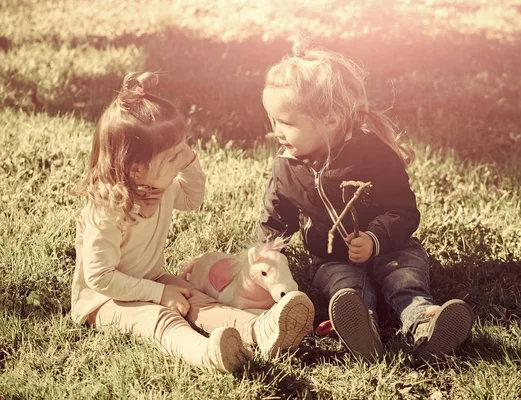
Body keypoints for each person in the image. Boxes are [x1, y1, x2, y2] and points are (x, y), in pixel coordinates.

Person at [71, 72, 315, 373]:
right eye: (174, 156)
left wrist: (188, 160)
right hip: (104, 301)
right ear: (137, 171)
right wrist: (159, 294)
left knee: (197, 301)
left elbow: (192, 200)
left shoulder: (158, 188)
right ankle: (206, 354)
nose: (185, 156)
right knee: (159, 318)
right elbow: (101, 278)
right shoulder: (107, 212)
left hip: (151, 279)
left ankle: (259, 330)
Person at [258, 38, 474, 363]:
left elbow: (403, 210)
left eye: (286, 122)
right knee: (346, 288)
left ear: (329, 120)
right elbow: (276, 220)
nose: (276, 131)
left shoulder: (373, 155)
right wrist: (264, 257)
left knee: (405, 282)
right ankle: (360, 328)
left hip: (393, 248)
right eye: (273, 120)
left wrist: (375, 239)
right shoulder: (287, 166)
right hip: (332, 258)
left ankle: (425, 323)